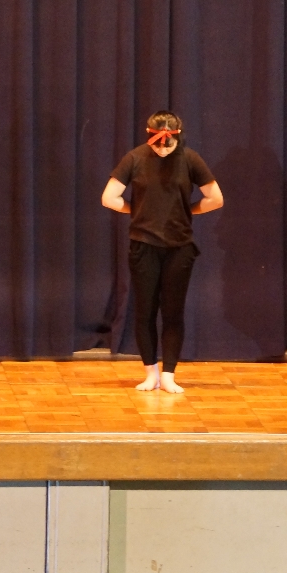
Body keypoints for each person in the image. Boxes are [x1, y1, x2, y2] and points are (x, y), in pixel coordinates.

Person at [102, 111, 224, 394]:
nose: (163, 150)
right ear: (150, 138)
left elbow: (215, 199)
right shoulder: (134, 159)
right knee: (145, 311)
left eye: (168, 145)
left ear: (177, 138)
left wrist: (187, 211)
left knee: (173, 311)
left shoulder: (190, 159)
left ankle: (169, 373)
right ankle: (150, 373)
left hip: (178, 247)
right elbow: (109, 198)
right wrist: (140, 211)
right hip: (144, 246)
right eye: (158, 145)